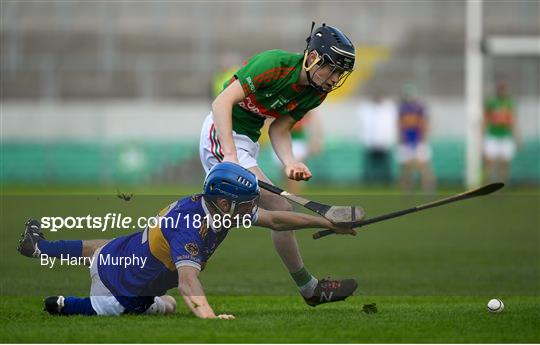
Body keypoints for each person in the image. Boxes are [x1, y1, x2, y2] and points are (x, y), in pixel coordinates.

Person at [17, 162, 357, 318]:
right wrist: (210, 317)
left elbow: (275, 218)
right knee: (131, 306)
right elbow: (187, 281)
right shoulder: (192, 226)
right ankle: (64, 304)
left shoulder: (217, 206)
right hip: (120, 293)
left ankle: (39, 248)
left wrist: (326, 220)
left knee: (103, 249)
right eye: (248, 203)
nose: (253, 208)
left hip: (119, 254)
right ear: (225, 203)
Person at [199, 23, 358, 303]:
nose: (334, 79)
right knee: (277, 208)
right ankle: (310, 290)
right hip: (221, 134)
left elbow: (279, 129)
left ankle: (148, 263)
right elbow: (221, 103)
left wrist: (290, 162)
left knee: (220, 218)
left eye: (340, 73)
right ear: (312, 58)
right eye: (331, 69)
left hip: (247, 141)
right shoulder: (273, 64)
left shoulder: (316, 92)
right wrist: (231, 157)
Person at [271, 110, 323, 195]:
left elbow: (313, 121)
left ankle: (294, 198)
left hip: (297, 142)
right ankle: (290, 197)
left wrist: (316, 140)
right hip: (279, 142)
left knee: (293, 172)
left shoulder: (301, 104)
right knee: (285, 174)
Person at [397, 83, 436, 193]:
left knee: (423, 167)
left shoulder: (420, 107)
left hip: (419, 140)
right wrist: (401, 138)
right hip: (406, 141)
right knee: (406, 168)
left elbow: (425, 124)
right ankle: (408, 192)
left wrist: (423, 138)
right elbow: (400, 125)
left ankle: (429, 191)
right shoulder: (401, 108)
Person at [483, 80, 519, 183]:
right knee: (489, 162)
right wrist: (482, 134)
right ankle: (488, 183)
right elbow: (486, 119)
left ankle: (502, 184)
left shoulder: (510, 103)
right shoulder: (491, 102)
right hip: (492, 136)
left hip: (505, 136)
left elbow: (513, 121)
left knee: (504, 163)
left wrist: (517, 137)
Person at [357, 92, 397, 184]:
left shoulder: (387, 109)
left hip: (383, 143)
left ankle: (387, 181)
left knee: (385, 165)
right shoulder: (367, 109)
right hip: (371, 142)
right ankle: (368, 181)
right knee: (370, 165)